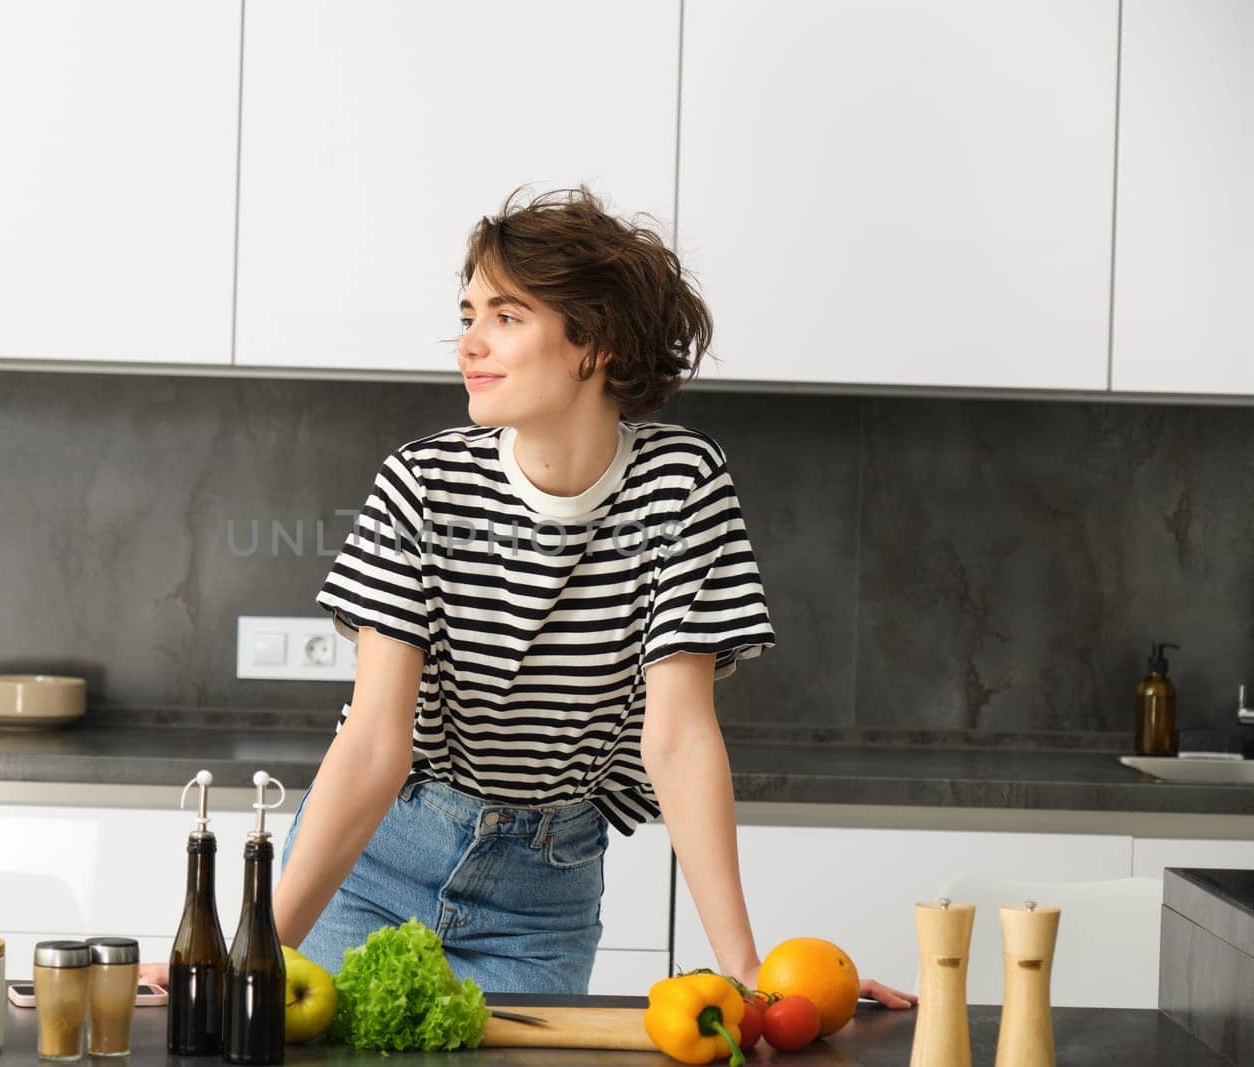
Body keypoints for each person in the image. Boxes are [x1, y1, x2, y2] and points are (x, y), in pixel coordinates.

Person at [152, 186, 915, 1007]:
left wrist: (746, 967)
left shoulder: (682, 485)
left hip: (539, 897)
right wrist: (254, 956)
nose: (468, 344)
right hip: (374, 861)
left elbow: (681, 737)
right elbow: (376, 745)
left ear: (598, 343)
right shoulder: (423, 484)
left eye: (506, 317)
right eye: (468, 313)